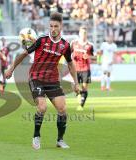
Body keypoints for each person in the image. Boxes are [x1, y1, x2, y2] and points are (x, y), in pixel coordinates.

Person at [5, 12, 79, 150]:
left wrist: (76, 82)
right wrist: (11, 69)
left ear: (61, 26)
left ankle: (60, 140)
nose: (53, 29)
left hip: (52, 80)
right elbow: (23, 54)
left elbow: (70, 64)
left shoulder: (65, 45)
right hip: (36, 78)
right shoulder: (41, 40)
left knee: (63, 109)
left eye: (55, 26)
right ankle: (36, 136)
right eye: (51, 26)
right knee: (42, 107)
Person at [71, 26, 95, 111]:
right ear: (79, 33)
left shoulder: (90, 45)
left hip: (85, 68)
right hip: (76, 68)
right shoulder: (74, 43)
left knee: (84, 87)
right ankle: (79, 96)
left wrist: (88, 56)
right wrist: (72, 57)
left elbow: (94, 58)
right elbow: (68, 54)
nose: (83, 34)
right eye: (82, 33)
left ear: (86, 34)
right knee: (75, 87)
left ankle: (81, 105)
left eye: (85, 33)